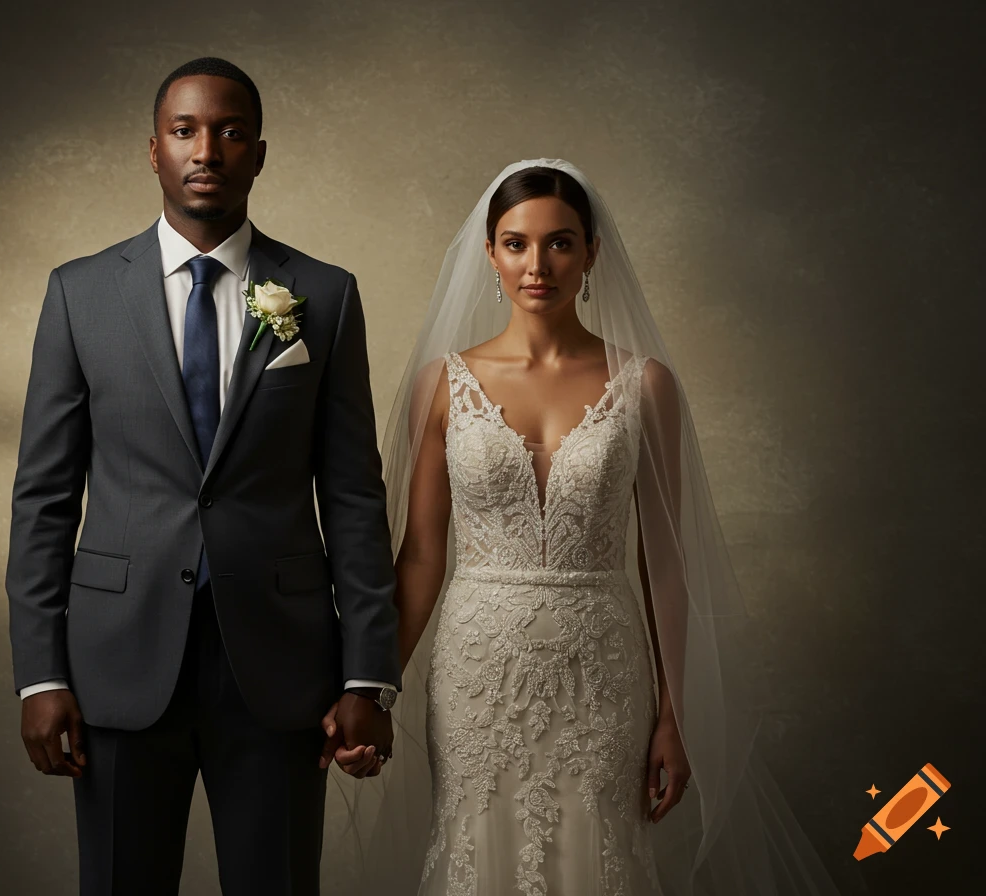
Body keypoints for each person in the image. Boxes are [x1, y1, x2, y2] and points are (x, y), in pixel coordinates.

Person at [328, 160, 842, 895]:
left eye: (560, 243)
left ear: (593, 253)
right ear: (490, 253)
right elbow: (418, 557)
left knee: (597, 861)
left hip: (601, 676)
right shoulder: (442, 383)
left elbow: (665, 562)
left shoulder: (645, 384)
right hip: (477, 677)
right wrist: (373, 691)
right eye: (516, 243)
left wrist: (676, 715)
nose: (537, 264)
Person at [4, 56, 401, 895]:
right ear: (153, 150)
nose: (206, 149)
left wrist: (369, 675)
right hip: (117, 660)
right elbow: (43, 498)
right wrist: (42, 673)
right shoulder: (78, 295)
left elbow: (356, 497)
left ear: (259, 152)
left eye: (229, 131)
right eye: (184, 130)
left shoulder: (323, 296)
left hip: (279, 664)